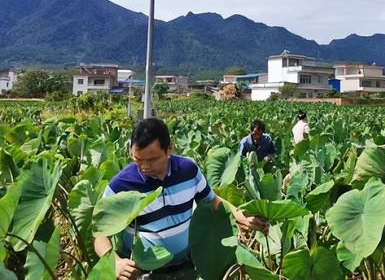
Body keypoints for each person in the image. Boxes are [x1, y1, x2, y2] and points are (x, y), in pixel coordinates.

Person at [93, 118, 268, 280]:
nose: (145, 167)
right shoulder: (122, 185)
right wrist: (115, 262)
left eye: (152, 159)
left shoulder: (187, 170)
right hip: (144, 272)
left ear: (169, 148)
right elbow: (100, 235)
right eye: (138, 160)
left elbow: (213, 201)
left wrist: (243, 217)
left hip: (186, 266)